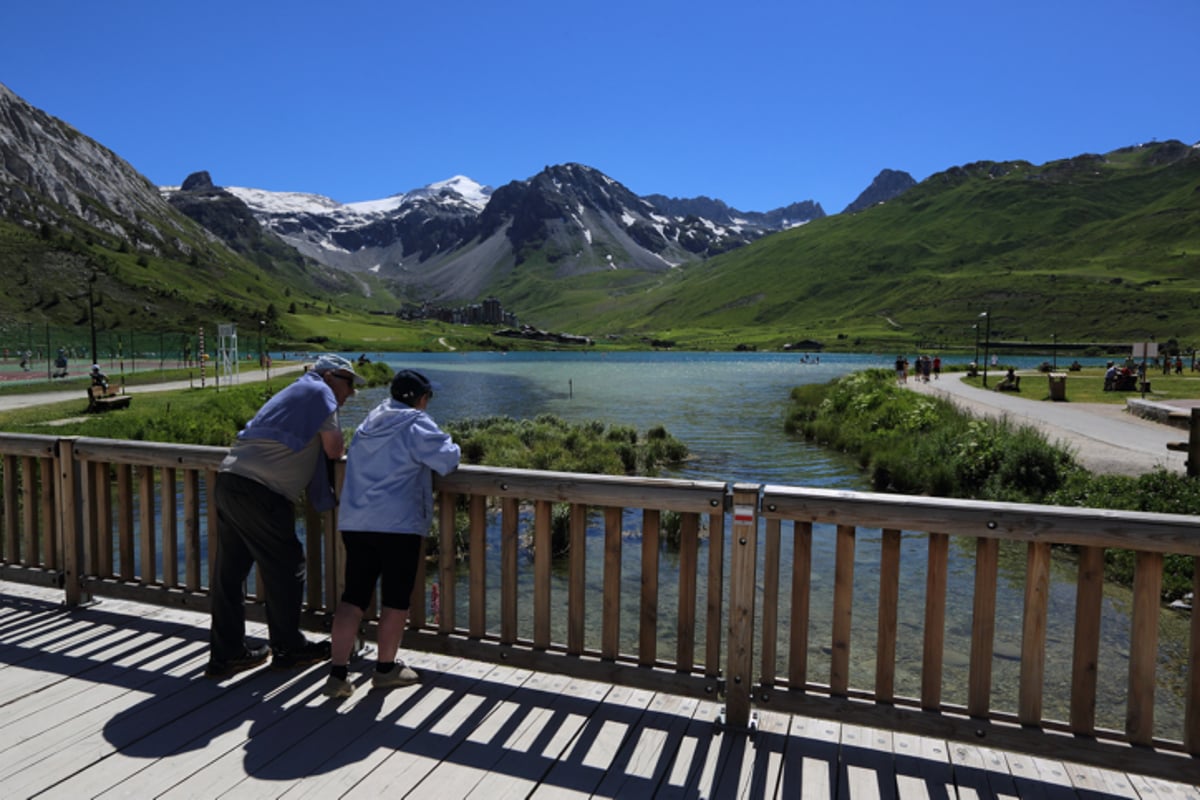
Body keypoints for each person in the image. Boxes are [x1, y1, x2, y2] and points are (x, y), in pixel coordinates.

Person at [205, 354, 364, 679]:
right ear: (332, 376)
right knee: (288, 566)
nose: (350, 394)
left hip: (230, 479)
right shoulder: (321, 394)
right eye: (348, 384)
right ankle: (288, 648)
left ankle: (226, 654)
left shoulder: (296, 391)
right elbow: (335, 449)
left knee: (230, 573)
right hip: (262, 491)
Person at [322, 368, 461, 698]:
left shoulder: (370, 421)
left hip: (356, 523)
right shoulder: (414, 422)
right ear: (420, 399)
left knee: (353, 598)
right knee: (396, 601)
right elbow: (448, 459)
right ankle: (385, 669)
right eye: (428, 398)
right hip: (398, 525)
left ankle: (338, 674)